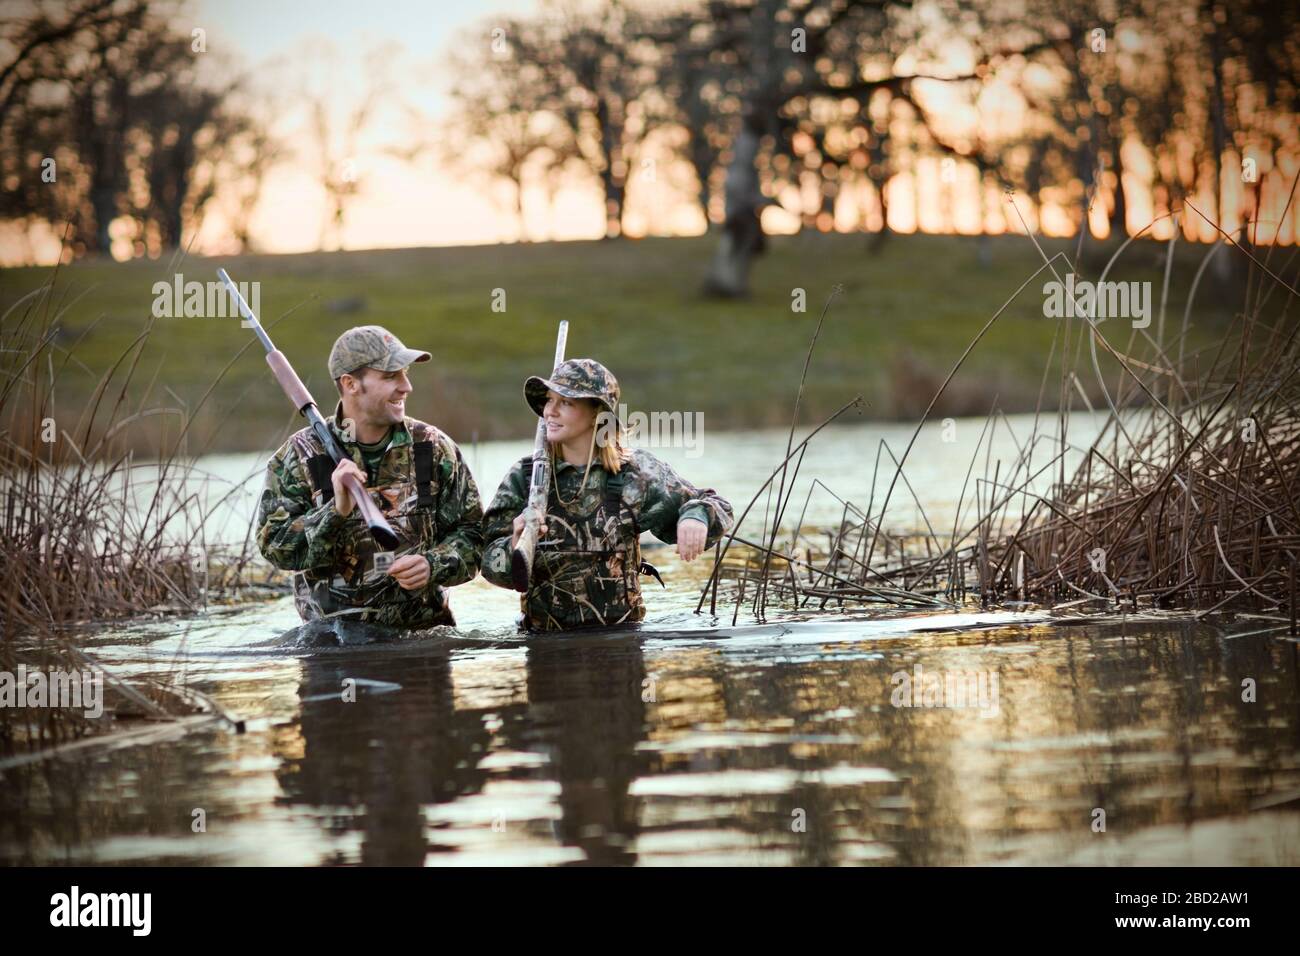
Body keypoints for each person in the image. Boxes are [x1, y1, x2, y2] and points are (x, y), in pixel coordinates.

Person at [256, 325, 483, 628]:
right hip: (331, 651)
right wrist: (335, 512)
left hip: (424, 645)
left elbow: (475, 536)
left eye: (405, 374)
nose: (406, 387)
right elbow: (276, 549)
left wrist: (434, 564)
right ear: (351, 384)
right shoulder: (297, 457)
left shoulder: (433, 447)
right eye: (390, 376)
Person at [481, 358, 733, 631]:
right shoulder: (525, 477)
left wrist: (696, 516)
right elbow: (488, 565)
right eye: (549, 400)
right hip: (544, 645)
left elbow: (716, 505)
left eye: (565, 403)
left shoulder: (634, 473)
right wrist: (515, 546)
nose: (550, 412)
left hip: (621, 642)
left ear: (596, 415)